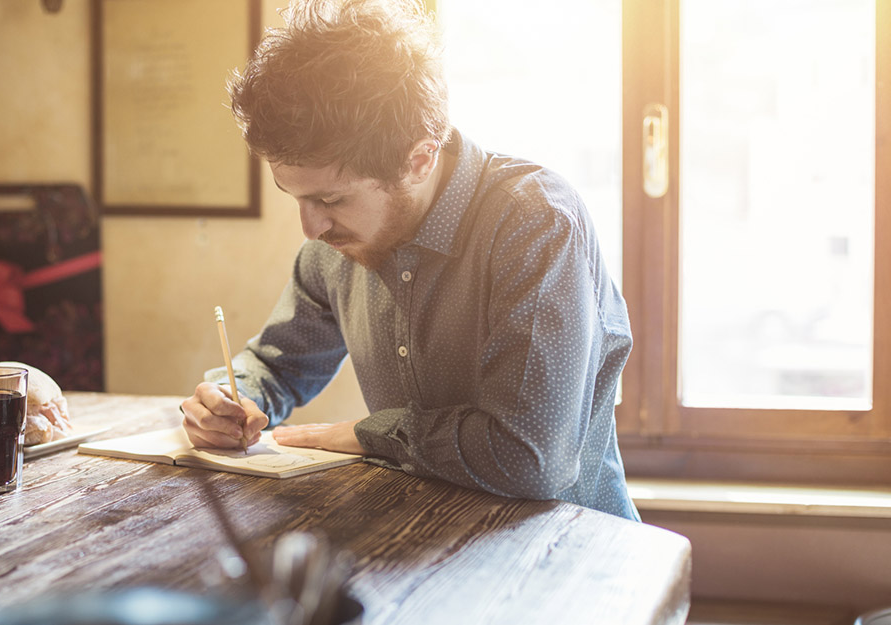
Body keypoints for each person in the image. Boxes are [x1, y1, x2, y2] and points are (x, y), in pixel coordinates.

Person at [179, 0, 638, 521]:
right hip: (420, 550)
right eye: (294, 196)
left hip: (563, 561)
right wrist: (228, 399)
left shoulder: (535, 223)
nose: (310, 228)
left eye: (330, 200)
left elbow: (529, 457)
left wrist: (371, 433)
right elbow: (275, 366)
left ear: (420, 159)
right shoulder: (332, 250)